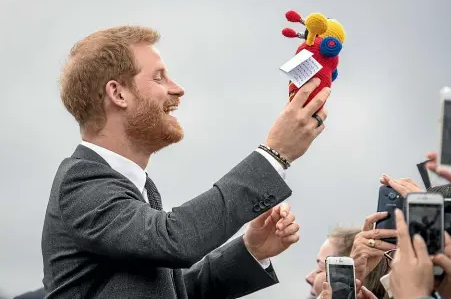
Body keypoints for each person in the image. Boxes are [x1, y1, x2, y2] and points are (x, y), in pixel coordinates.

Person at [41, 25, 331, 299]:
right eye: (159, 77)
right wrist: (274, 154)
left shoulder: (139, 189)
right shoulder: (80, 183)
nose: (177, 89)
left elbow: (175, 292)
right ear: (118, 94)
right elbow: (175, 239)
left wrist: (250, 250)